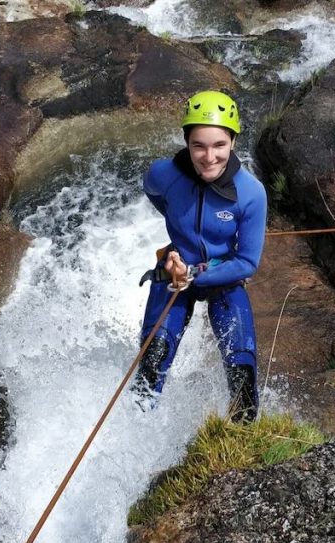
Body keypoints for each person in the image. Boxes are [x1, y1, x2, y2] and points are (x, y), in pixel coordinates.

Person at [130, 90, 267, 423]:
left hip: (223, 276)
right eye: (198, 146)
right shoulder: (164, 174)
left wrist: (195, 274)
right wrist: (177, 241)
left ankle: (240, 444)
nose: (209, 157)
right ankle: (135, 435)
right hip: (172, 272)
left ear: (233, 141)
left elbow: (247, 262)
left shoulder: (250, 193)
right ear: (186, 143)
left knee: (241, 373)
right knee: (154, 357)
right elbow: (153, 192)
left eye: (219, 145)